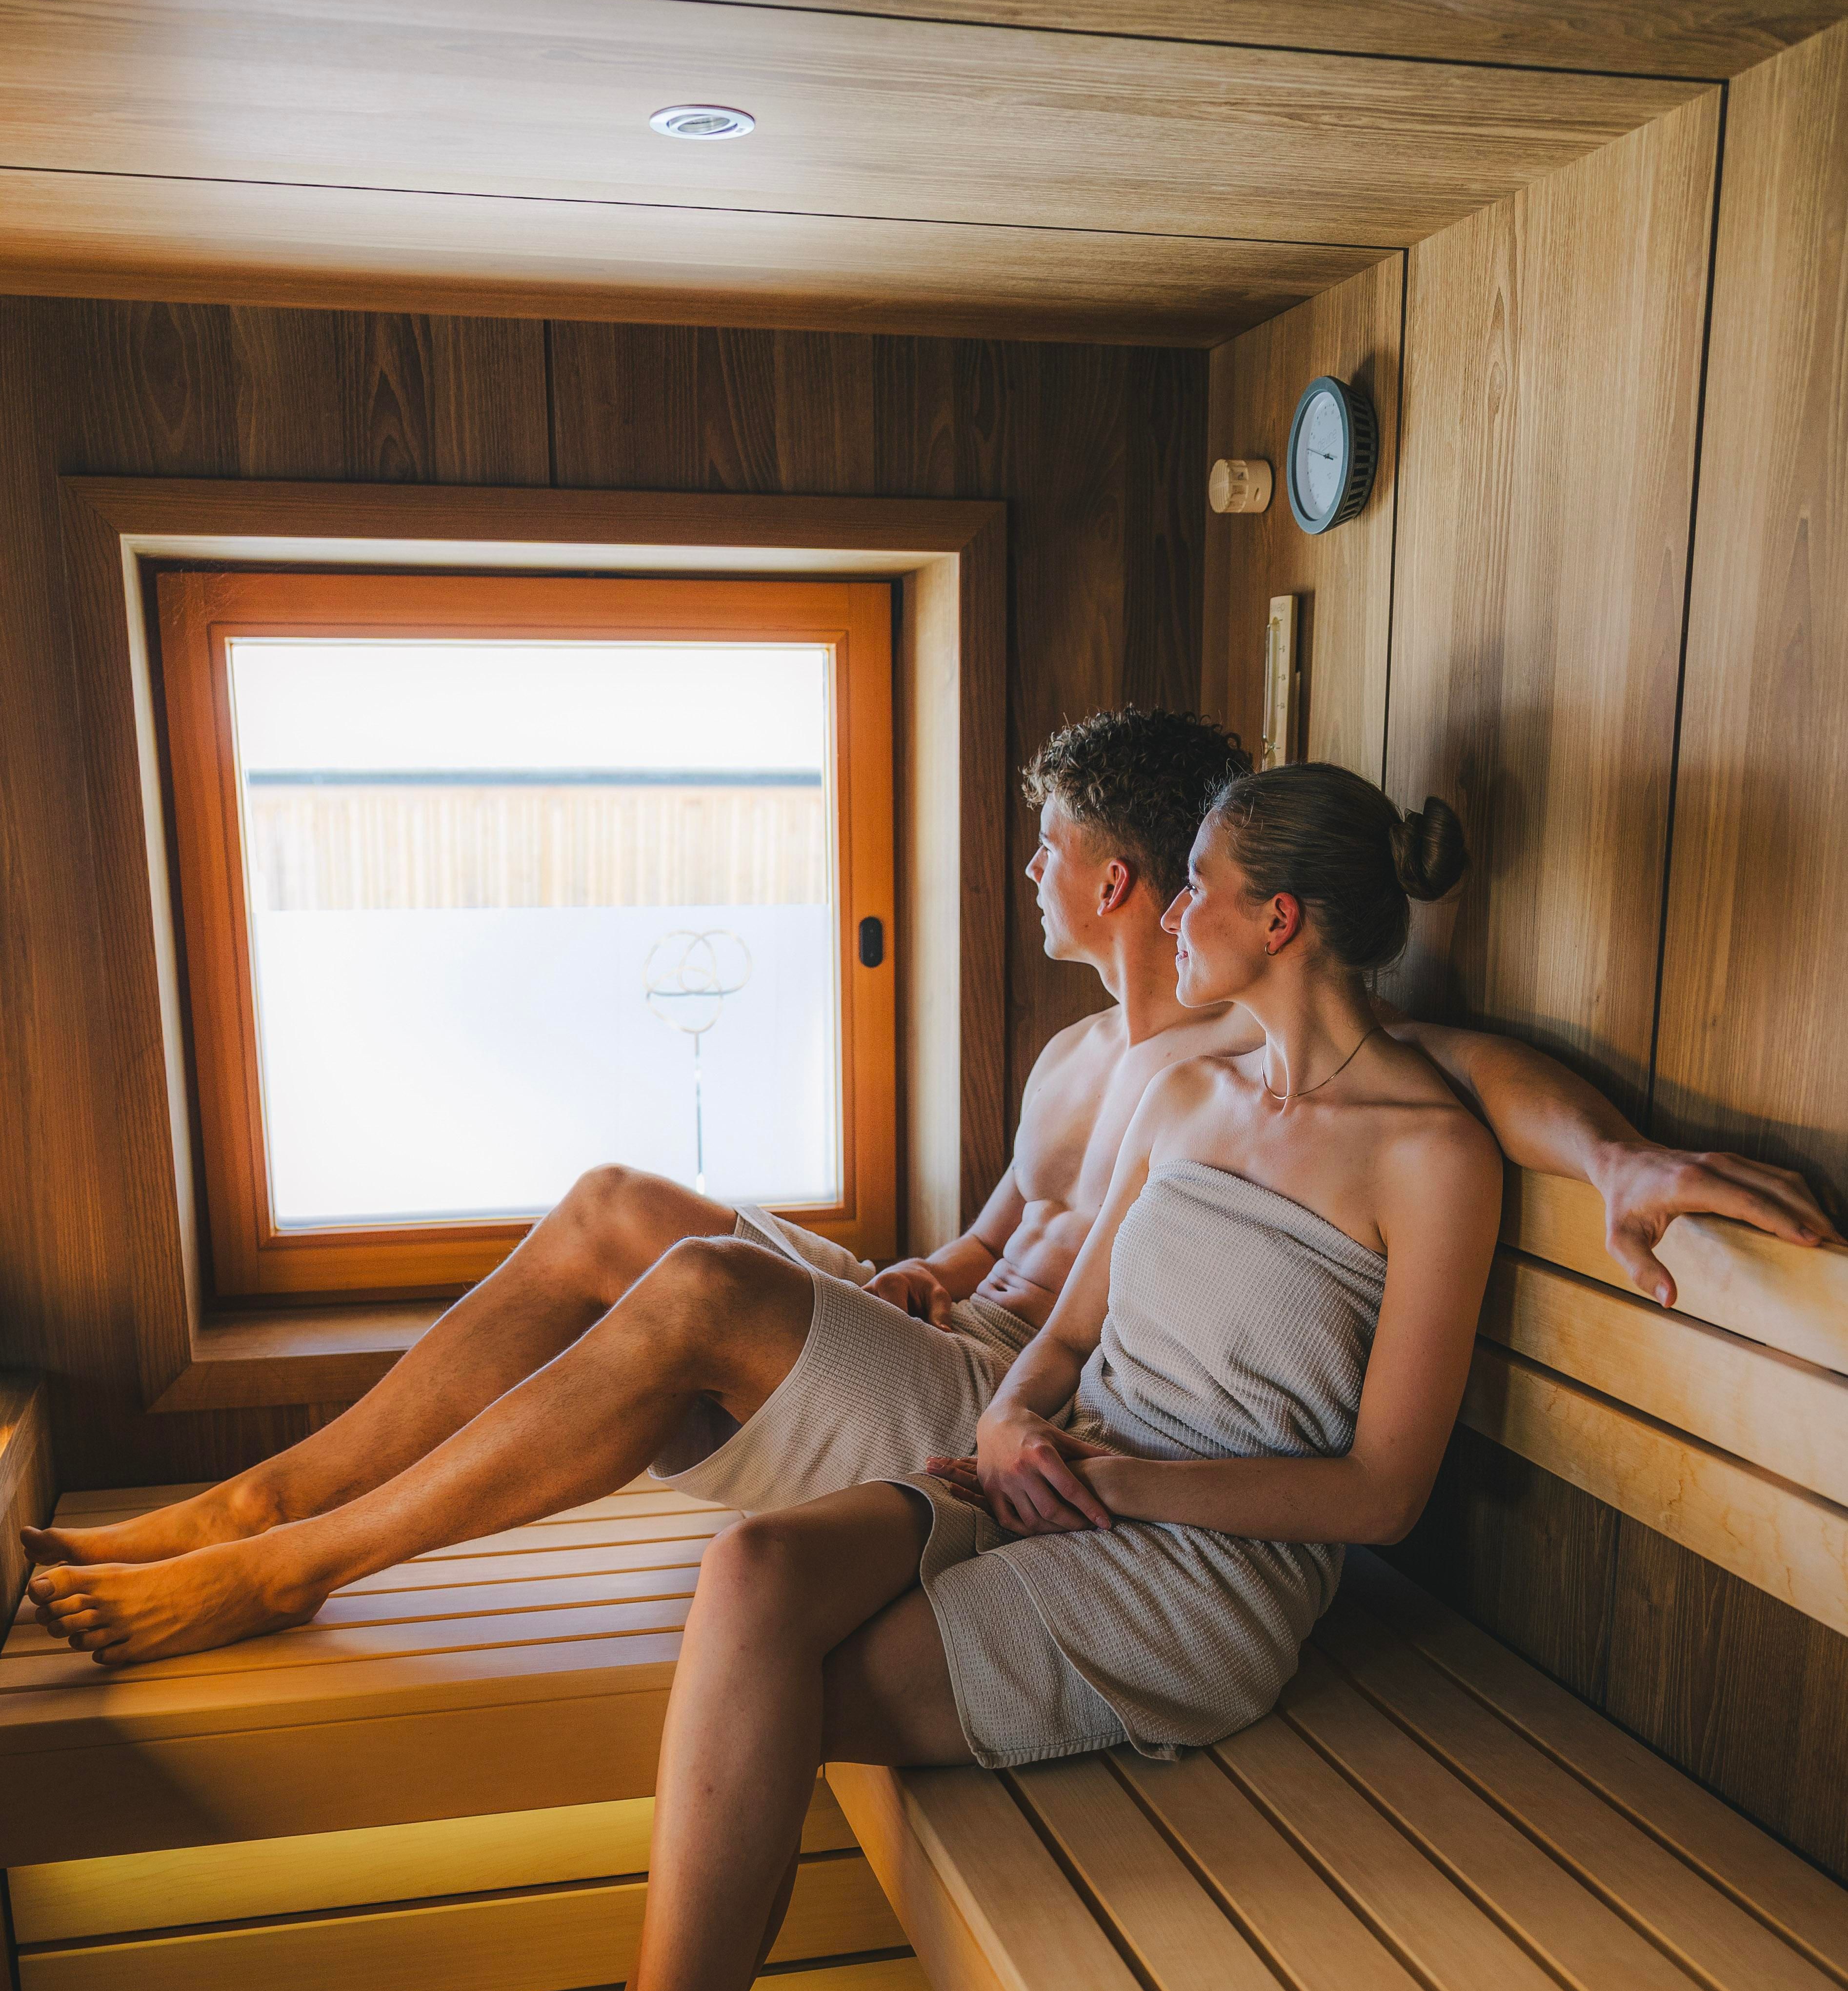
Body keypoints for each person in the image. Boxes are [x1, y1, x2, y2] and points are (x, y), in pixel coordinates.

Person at [348, 760, 1508, 1991]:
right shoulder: (1185, 1097)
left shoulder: (1432, 1161)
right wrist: (1020, 1415)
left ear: (1280, 920)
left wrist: (1110, 1479)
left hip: (1203, 1569)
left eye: (1197, 885)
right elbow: (1065, 1334)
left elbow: (1380, 1492)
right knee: (753, 1575)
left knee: (759, 1715)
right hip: (1052, 1471)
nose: (1173, 912)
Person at [22, 711, 1832, 1668]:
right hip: (961, 1337)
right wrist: (932, 1267)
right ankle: (261, 1493)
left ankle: (294, 1563)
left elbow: (1468, 1064)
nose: (1028, 874)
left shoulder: (1239, 1049)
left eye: (1053, 850)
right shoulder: (1086, 1053)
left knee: (696, 1293)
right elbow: (998, 1238)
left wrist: (1618, 1152)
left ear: (1145, 882)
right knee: (608, 1203)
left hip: (1001, 1403)